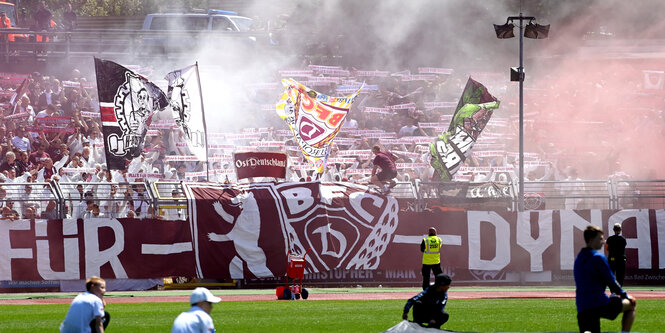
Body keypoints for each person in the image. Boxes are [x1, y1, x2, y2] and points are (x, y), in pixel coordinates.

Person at [574, 225, 636, 333]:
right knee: (631, 305)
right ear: (591, 240)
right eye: (600, 239)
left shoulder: (579, 258)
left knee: (589, 330)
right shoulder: (598, 257)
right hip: (600, 303)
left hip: (582, 307)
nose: (603, 242)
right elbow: (611, 281)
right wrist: (625, 295)